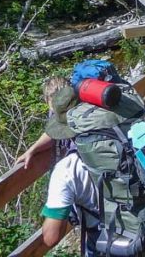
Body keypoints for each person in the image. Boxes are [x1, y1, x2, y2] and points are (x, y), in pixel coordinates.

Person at [34, 78, 102, 255]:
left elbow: (50, 237)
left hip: (105, 240)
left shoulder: (66, 170)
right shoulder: (113, 127)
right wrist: (33, 148)